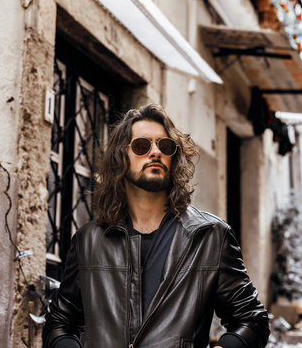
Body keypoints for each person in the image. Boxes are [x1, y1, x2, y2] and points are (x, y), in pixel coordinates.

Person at [42, 104, 270, 348]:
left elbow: (252, 319)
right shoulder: (89, 240)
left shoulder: (210, 236)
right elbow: (58, 322)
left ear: (174, 158)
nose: (155, 153)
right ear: (121, 156)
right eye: (142, 146)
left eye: (165, 146)